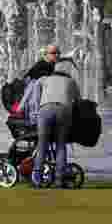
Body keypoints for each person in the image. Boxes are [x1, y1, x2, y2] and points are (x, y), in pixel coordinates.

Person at [34, 58, 81, 189]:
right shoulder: (71, 82)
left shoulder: (44, 80)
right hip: (64, 111)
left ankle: (37, 178)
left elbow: (36, 96)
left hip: (45, 110)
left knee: (42, 144)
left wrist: (38, 109)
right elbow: (78, 101)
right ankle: (59, 179)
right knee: (61, 145)